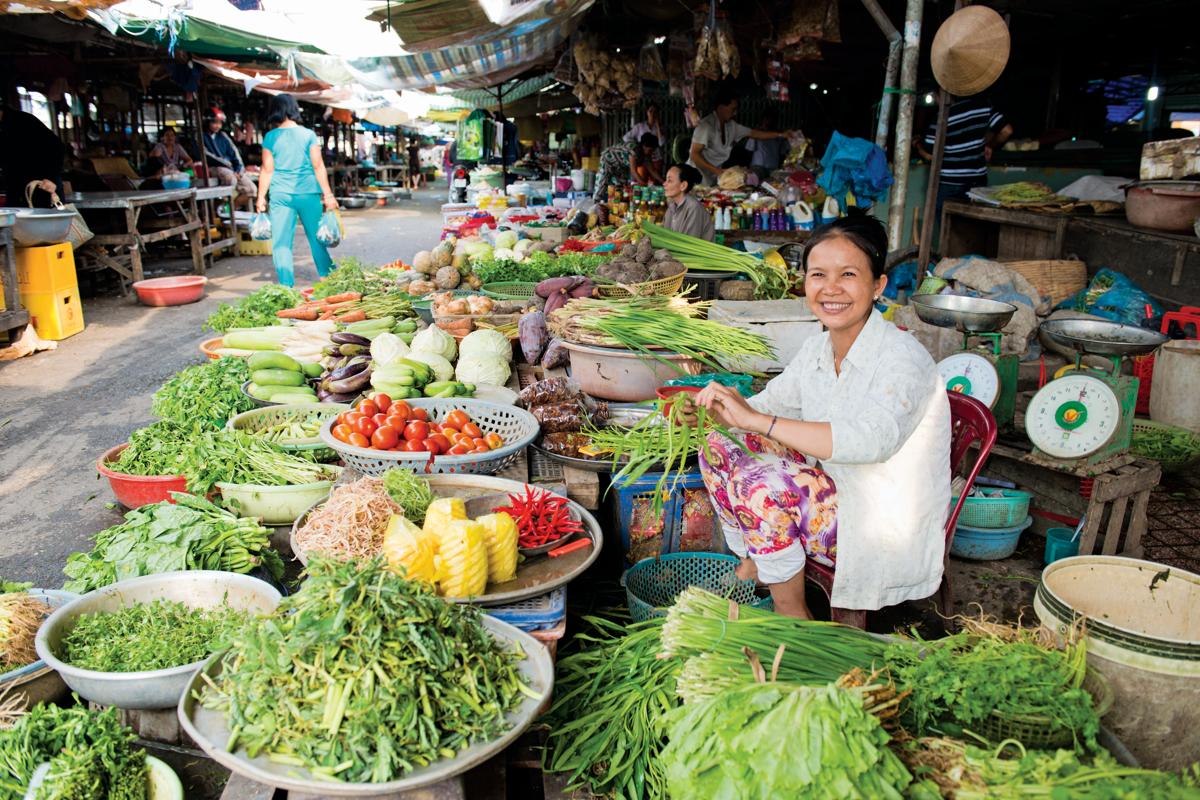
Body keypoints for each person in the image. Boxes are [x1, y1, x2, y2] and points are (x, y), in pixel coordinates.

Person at [686, 214, 951, 618]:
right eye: (818, 275)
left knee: (764, 486)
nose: (831, 289)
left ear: (878, 286)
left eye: (848, 275)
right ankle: (762, 561)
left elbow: (871, 441)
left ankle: (794, 615)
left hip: (878, 520)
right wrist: (716, 414)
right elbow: (766, 407)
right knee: (720, 446)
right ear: (805, 282)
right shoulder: (818, 348)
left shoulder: (902, 358)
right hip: (833, 489)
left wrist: (755, 421)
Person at [255, 94, 338, 288]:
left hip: (281, 195)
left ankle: (286, 288)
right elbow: (318, 166)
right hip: (308, 193)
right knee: (317, 238)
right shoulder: (308, 135)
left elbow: (267, 169)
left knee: (281, 243)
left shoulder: (270, 137)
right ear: (293, 109)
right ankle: (330, 283)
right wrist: (328, 195)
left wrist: (260, 198)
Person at [916, 93, 1012, 213]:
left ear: (941, 96)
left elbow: (930, 152)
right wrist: (989, 145)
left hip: (950, 184)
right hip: (977, 183)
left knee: (946, 227)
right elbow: (1006, 131)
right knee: (973, 228)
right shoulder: (982, 107)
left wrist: (917, 144)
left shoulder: (942, 116)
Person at [688, 87, 791, 186]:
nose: (735, 113)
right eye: (733, 109)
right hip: (695, 178)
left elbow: (754, 133)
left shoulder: (731, 126)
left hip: (712, 178)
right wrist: (717, 171)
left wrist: (781, 134)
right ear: (721, 107)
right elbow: (694, 154)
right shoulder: (706, 126)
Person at [0, 102, 64, 208]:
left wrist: (51, 177)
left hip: (42, 184)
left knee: (47, 220)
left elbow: (56, 147)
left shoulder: (23, 120)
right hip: (16, 189)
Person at [203, 107, 256, 208]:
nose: (218, 126)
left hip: (231, 168)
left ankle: (229, 210)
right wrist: (228, 166)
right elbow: (207, 155)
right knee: (231, 179)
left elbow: (234, 153)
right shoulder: (201, 136)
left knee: (252, 189)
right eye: (215, 122)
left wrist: (239, 169)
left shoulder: (223, 136)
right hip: (214, 168)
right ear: (207, 122)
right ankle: (221, 209)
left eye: (220, 123)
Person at [592, 133, 661, 201]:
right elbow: (634, 172)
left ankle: (617, 206)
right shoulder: (634, 149)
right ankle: (595, 203)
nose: (651, 153)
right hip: (608, 160)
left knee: (621, 188)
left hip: (621, 166)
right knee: (602, 182)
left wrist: (663, 182)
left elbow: (653, 171)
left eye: (653, 150)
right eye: (650, 150)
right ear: (644, 146)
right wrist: (646, 185)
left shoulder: (646, 155)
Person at [662, 164, 714, 241]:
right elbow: (665, 234)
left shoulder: (693, 208)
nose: (664, 184)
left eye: (669, 180)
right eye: (666, 180)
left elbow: (688, 243)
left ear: (683, 186)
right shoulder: (672, 207)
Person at [746, 109, 789, 180]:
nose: (769, 121)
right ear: (763, 119)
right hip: (757, 167)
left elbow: (782, 154)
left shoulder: (780, 136)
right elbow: (749, 151)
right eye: (767, 119)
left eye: (772, 119)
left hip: (773, 168)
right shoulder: (756, 133)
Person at [624, 102, 665, 174]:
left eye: (655, 112)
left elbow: (661, 143)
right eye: (650, 111)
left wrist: (658, 125)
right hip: (642, 158)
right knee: (641, 178)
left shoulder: (660, 128)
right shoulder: (640, 126)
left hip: (656, 159)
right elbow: (626, 137)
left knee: (655, 181)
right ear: (647, 112)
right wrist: (637, 146)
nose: (653, 114)